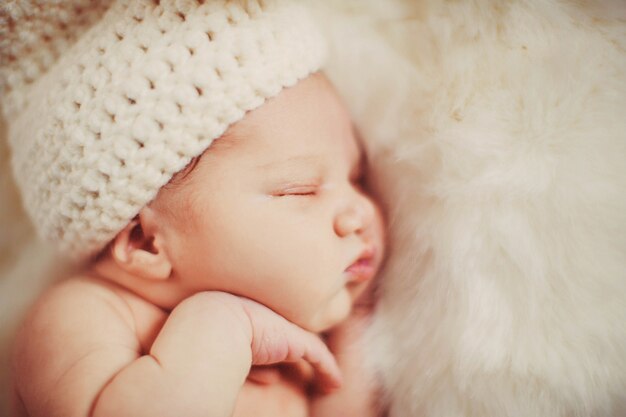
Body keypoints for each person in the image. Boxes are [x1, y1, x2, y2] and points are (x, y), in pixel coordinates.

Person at [3, 1, 385, 416]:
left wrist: (357, 328)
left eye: (356, 177)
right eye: (301, 190)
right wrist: (222, 325)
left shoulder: (300, 349)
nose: (359, 212)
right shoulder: (80, 319)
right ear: (146, 243)